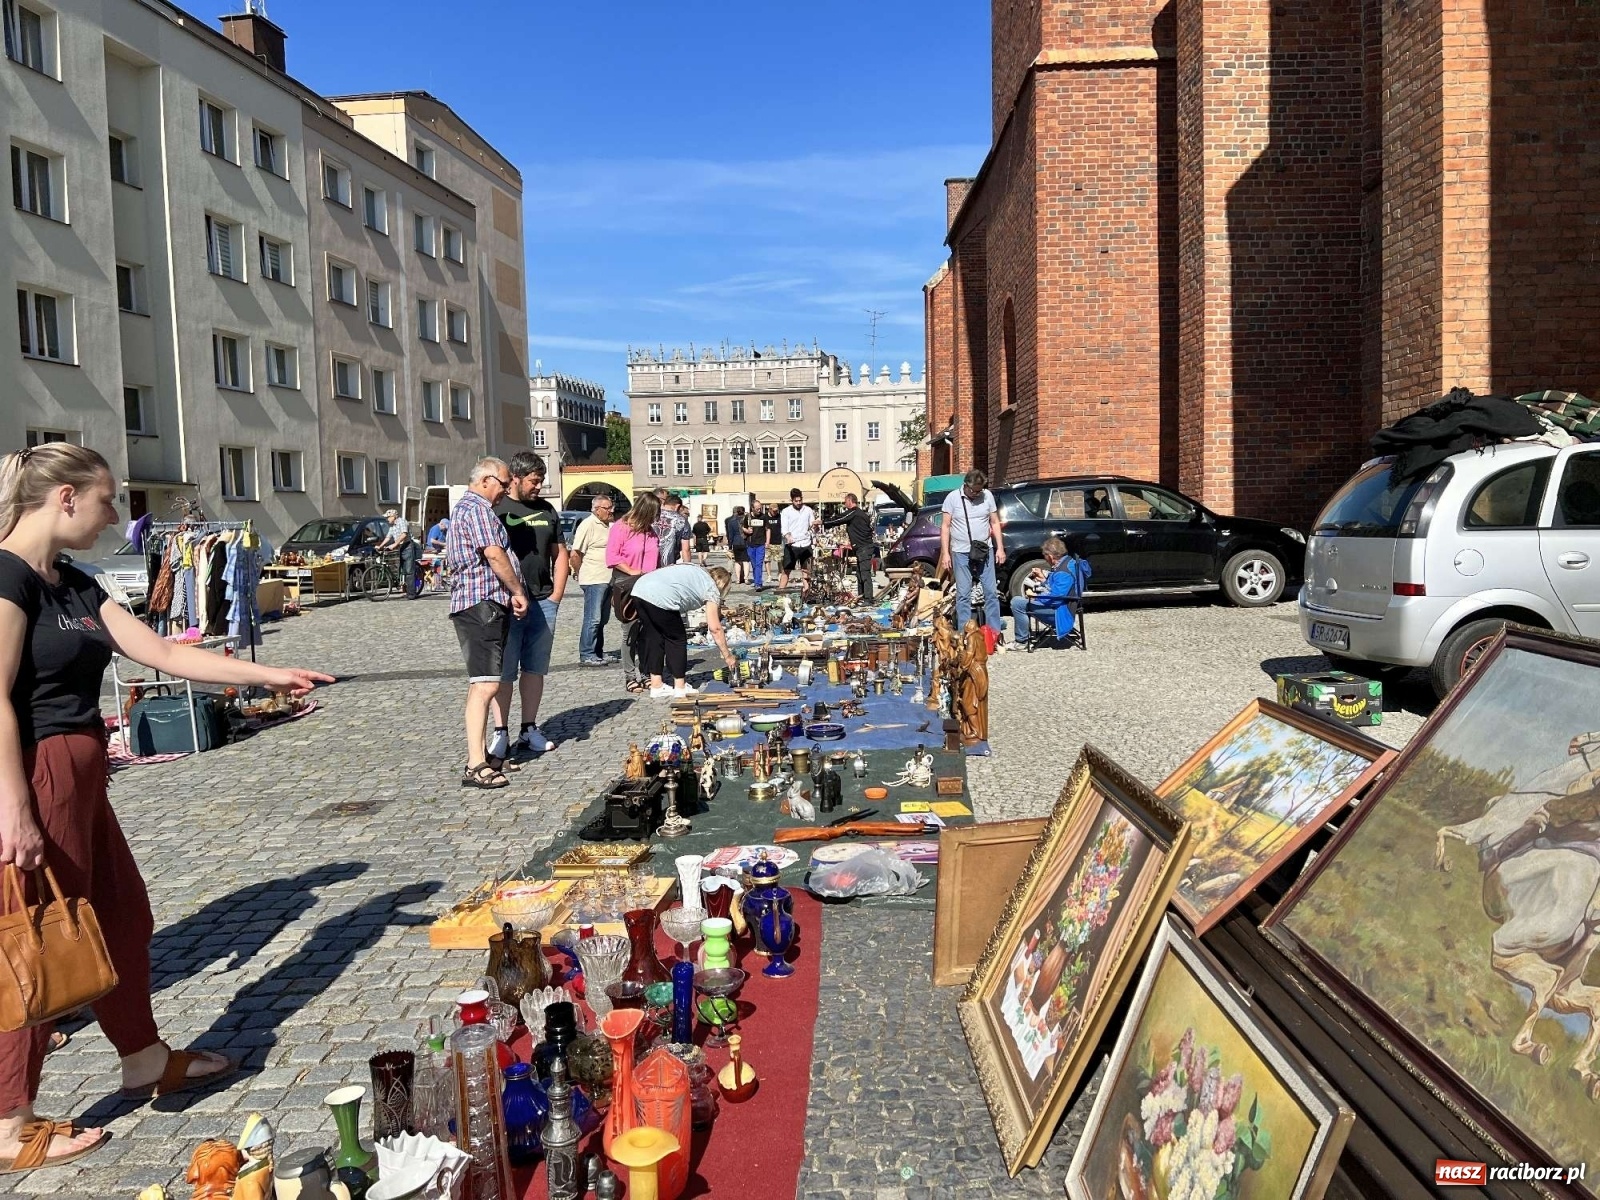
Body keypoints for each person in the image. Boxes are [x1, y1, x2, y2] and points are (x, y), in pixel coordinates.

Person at [0, 444, 331, 1173]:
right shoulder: (8, 578)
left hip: (84, 778)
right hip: (36, 773)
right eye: (106, 499)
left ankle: (143, 1059)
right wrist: (12, 806)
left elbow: (164, 654)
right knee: (33, 939)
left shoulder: (74, 585)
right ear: (63, 499)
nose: (115, 514)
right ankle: (9, 1119)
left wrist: (262, 670)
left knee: (123, 917)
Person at [445, 458, 529, 789]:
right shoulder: (476, 508)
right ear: (485, 481)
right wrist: (517, 590)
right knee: (485, 685)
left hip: (485, 604)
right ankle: (475, 762)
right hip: (480, 605)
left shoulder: (473, 508)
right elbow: (495, 555)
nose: (507, 491)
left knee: (486, 682)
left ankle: (481, 757)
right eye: (504, 484)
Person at [491, 453, 567, 763]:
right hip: (506, 601)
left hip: (542, 600)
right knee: (504, 672)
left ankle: (529, 727)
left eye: (541, 480)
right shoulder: (497, 509)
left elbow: (559, 552)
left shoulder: (547, 510)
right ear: (517, 479)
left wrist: (557, 595)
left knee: (535, 668)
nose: (539, 486)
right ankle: (500, 731)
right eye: (534, 481)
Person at [629, 564, 738, 698]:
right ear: (723, 585)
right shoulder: (712, 588)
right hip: (661, 596)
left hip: (640, 589)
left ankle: (656, 685)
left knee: (655, 636)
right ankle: (680, 686)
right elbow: (715, 628)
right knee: (677, 638)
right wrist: (728, 656)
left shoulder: (698, 572)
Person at [939, 468, 1006, 635]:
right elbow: (945, 526)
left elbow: (995, 522)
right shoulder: (952, 498)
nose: (977, 494)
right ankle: (964, 633)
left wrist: (1000, 549)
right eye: (974, 491)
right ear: (966, 486)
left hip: (984, 550)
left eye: (979, 491)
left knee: (991, 592)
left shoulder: (988, 496)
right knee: (963, 594)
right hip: (961, 552)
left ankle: (994, 633)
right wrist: (946, 554)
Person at [606, 494, 661, 695]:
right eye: (654, 514)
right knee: (630, 631)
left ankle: (646, 672)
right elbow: (612, 557)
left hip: (649, 588)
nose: (656, 518)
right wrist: (632, 571)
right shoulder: (621, 528)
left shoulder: (651, 532)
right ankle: (630, 675)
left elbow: (657, 559)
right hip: (627, 587)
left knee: (647, 633)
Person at [1006, 536, 1084, 650]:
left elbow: (1056, 597)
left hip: (1061, 613)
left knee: (1017, 603)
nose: (1045, 558)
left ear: (1051, 556)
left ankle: (1021, 642)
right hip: (1063, 607)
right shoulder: (1067, 562)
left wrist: (1035, 598)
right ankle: (1023, 638)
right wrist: (1043, 579)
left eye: (1045, 556)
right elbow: (1057, 588)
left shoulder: (1063, 572)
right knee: (1020, 601)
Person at [568, 495, 615, 666]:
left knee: (602, 619)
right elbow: (575, 553)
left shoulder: (610, 525)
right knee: (592, 618)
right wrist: (579, 572)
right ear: (596, 509)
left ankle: (598, 651)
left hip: (607, 577)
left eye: (611, 507)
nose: (611, 510)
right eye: (607, 508)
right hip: (593, 577)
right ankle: (587, 653)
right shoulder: (588, 525)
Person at [822, 492, 877, 603]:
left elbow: (839, 519)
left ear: (850, 501)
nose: (844, 503)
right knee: (859, 573)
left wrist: (824, 522)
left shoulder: (854, 513)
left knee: (865, 573)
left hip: (864, 547)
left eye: (845, 501)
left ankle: (868, 598)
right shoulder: (862, 514)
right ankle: (861, 596)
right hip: (861, 547)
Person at [374, 508, 420, 597]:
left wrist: (395, 544)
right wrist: (380, 546)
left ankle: (411, 594)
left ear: (393, 516)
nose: (387, 519)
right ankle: (404, 587)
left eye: (388, 517)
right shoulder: (392, 526)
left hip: (407, 546)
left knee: (409, 571)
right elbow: (388, 537)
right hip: (401, 547)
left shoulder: (401, 522)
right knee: (402, 569)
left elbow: (404, 534)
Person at [778, 489, 818, 589]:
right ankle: (781, 591)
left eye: (800, 500)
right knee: (786, 570)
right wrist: (788, 536)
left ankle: (807, 592)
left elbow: (812, 526)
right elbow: (784, 528)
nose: (799, 503)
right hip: (792, 545)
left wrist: (815, 528)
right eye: (796, 501)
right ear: (792, 500)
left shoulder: (808, 510)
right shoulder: (786, 512)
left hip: (805, 543)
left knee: (806, 570)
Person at [652, 489, 692, 568]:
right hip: (668, 564)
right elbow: (685, 549)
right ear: (677, 506)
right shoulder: (682, 521)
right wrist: (688, 567)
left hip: (648, 562)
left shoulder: (652, 515)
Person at [744, 503, 771, 590]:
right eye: (757, 509)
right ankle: (757, 581)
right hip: (750, 544)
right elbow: (743, 527)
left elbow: (768, 529)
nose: (759, 510)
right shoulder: (748, 517)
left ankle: (758, 583)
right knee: (754, 564)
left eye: (760, 508)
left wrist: (767, 541)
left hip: (761, 544)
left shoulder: (764, 517)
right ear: (752, 508)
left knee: (759, 563)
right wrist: (747, 531)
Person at [724, 506, 748, 584]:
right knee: (746, 561)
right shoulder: (746, 520)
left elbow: (730, 534)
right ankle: (746, 578)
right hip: (745, 541)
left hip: (736, 542)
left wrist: (730, 545)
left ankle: (738, 579)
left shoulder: (730, 521)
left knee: (737, 561)